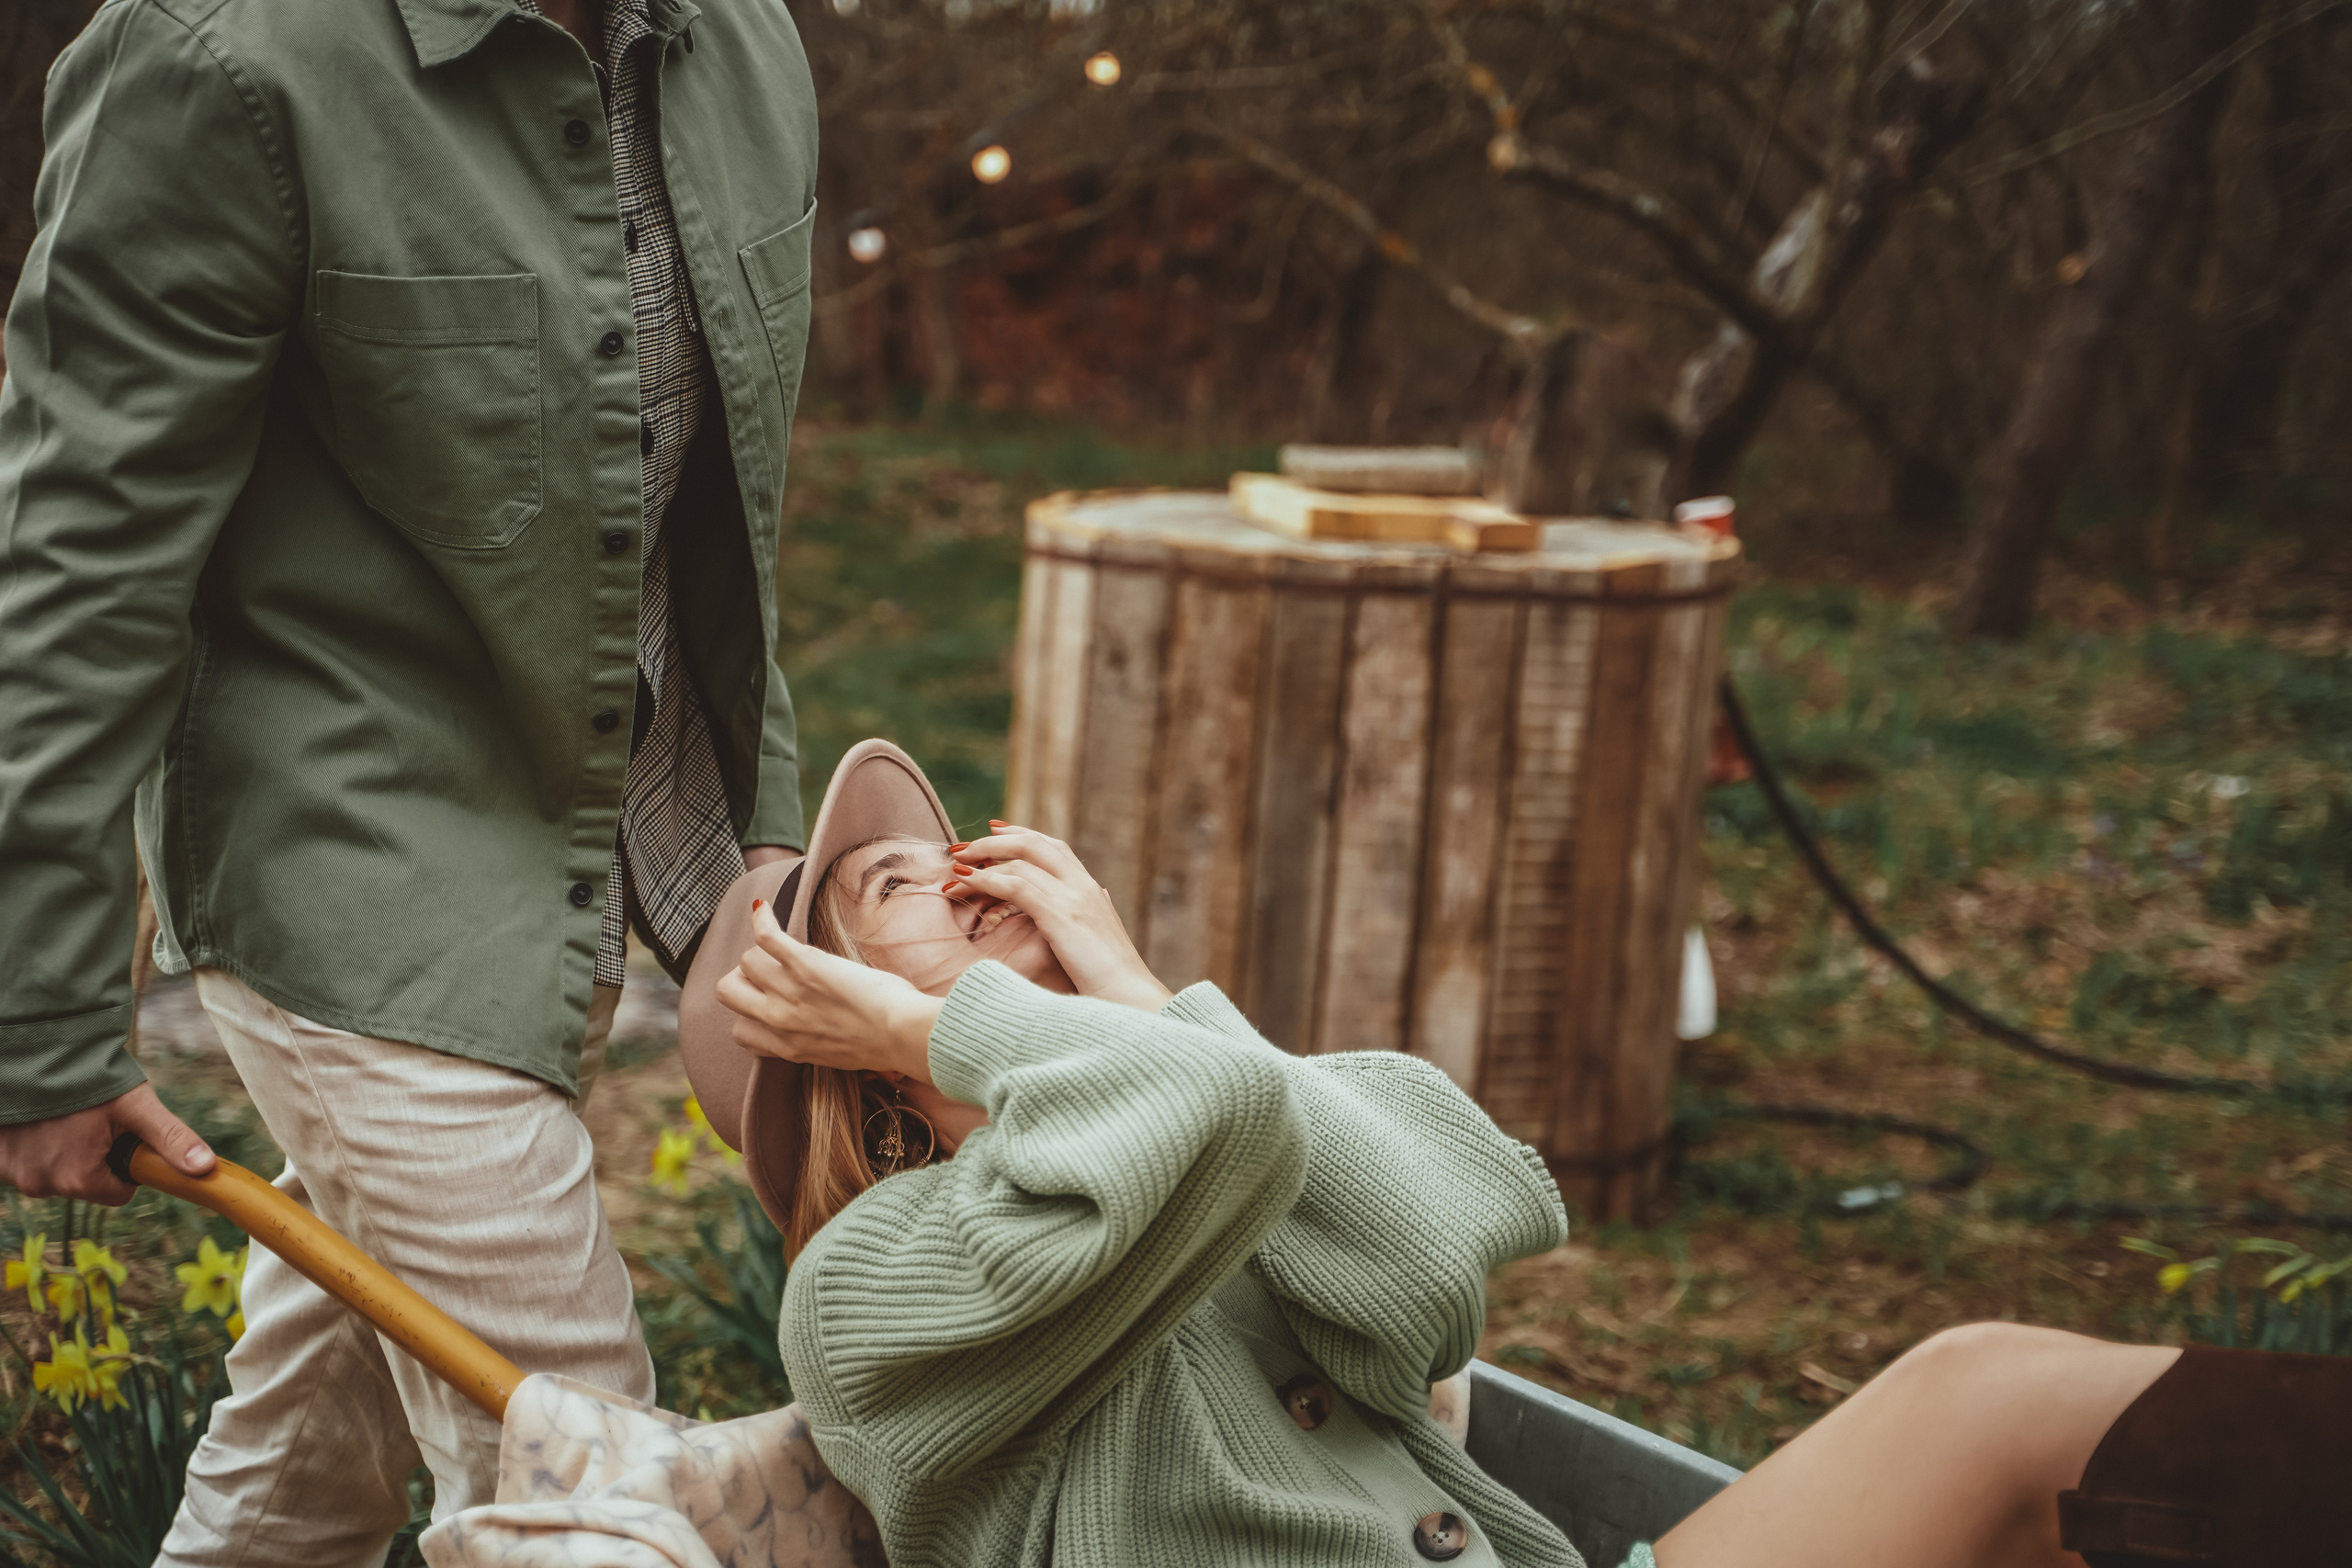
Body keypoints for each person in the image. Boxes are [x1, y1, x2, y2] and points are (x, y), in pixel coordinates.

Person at [679, 740, 2347, 1568]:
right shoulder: (864, 1291)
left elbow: (1447, 1247)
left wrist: (1126, 981)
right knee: (1982, 1393)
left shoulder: (1160, 1080)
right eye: (897, 889)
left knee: (1995, 1392)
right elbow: (1218, 1123)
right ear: (840, 1049)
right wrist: (955, 1040)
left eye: (960, 841)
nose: (971, 869)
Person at [0, 0, 817, 1558]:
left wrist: (762, 866)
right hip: (343, 865)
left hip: (588, 836)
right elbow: (70, 568)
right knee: (599, 1495)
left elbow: (723, 522)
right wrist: (31, 1011)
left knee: (301, 1488)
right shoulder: (220, 60)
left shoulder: (746, 47)